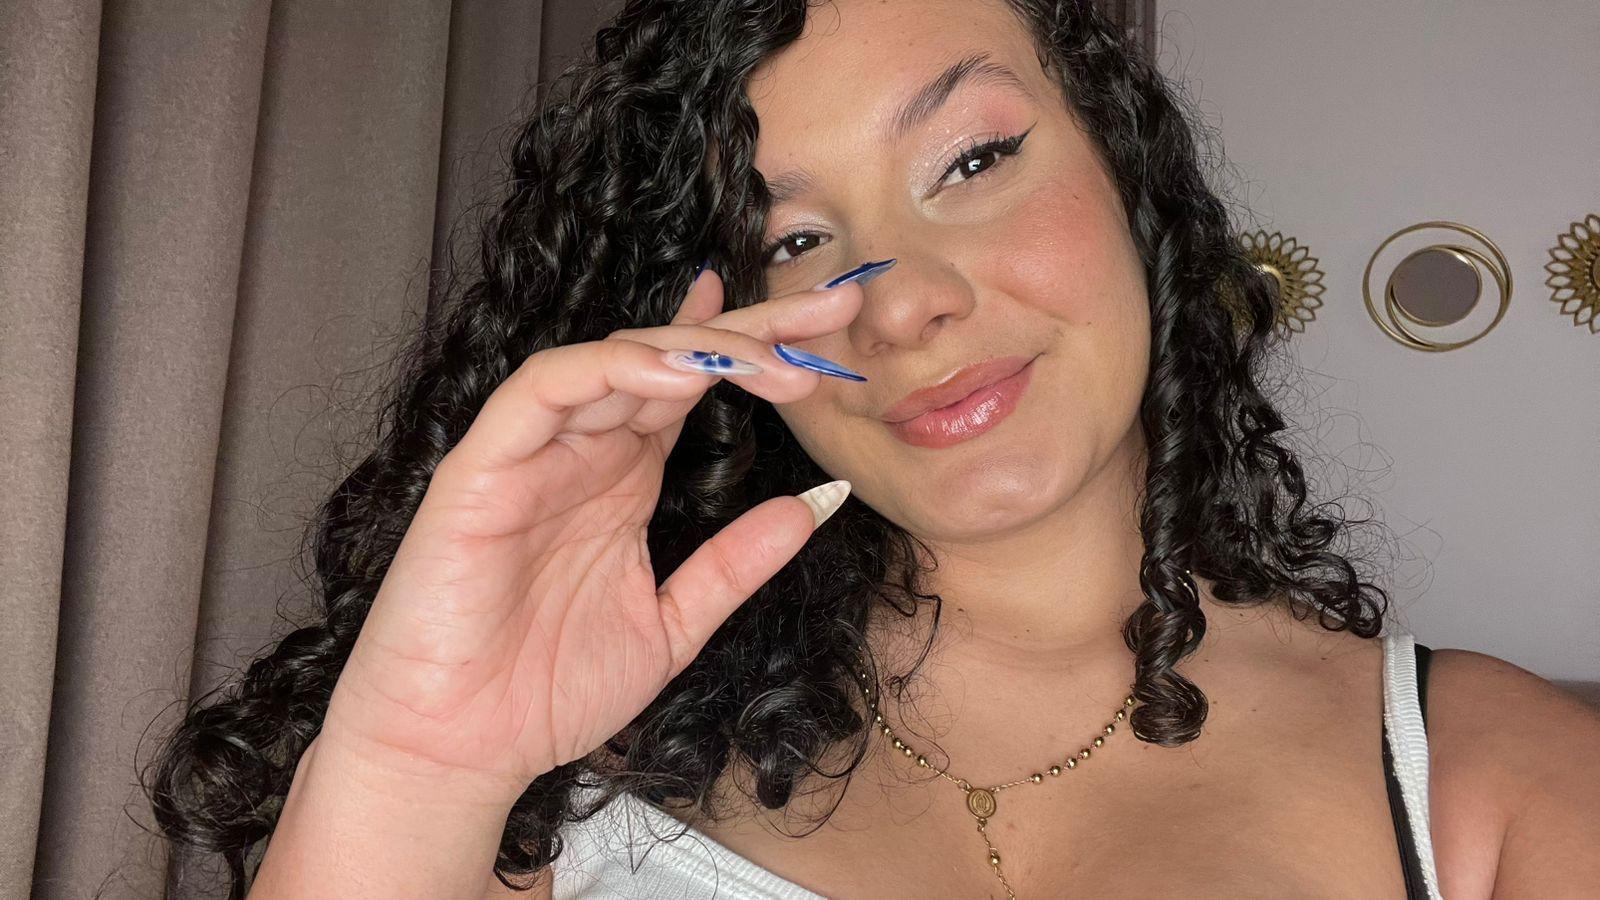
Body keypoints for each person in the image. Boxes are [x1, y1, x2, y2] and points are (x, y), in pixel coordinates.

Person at [143, 1, 1600, 898]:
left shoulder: (1495, 776)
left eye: (973, 159)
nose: (900, 303)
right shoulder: (568, 772)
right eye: (794, 241)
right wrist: (418, 763)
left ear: (1131, 180)